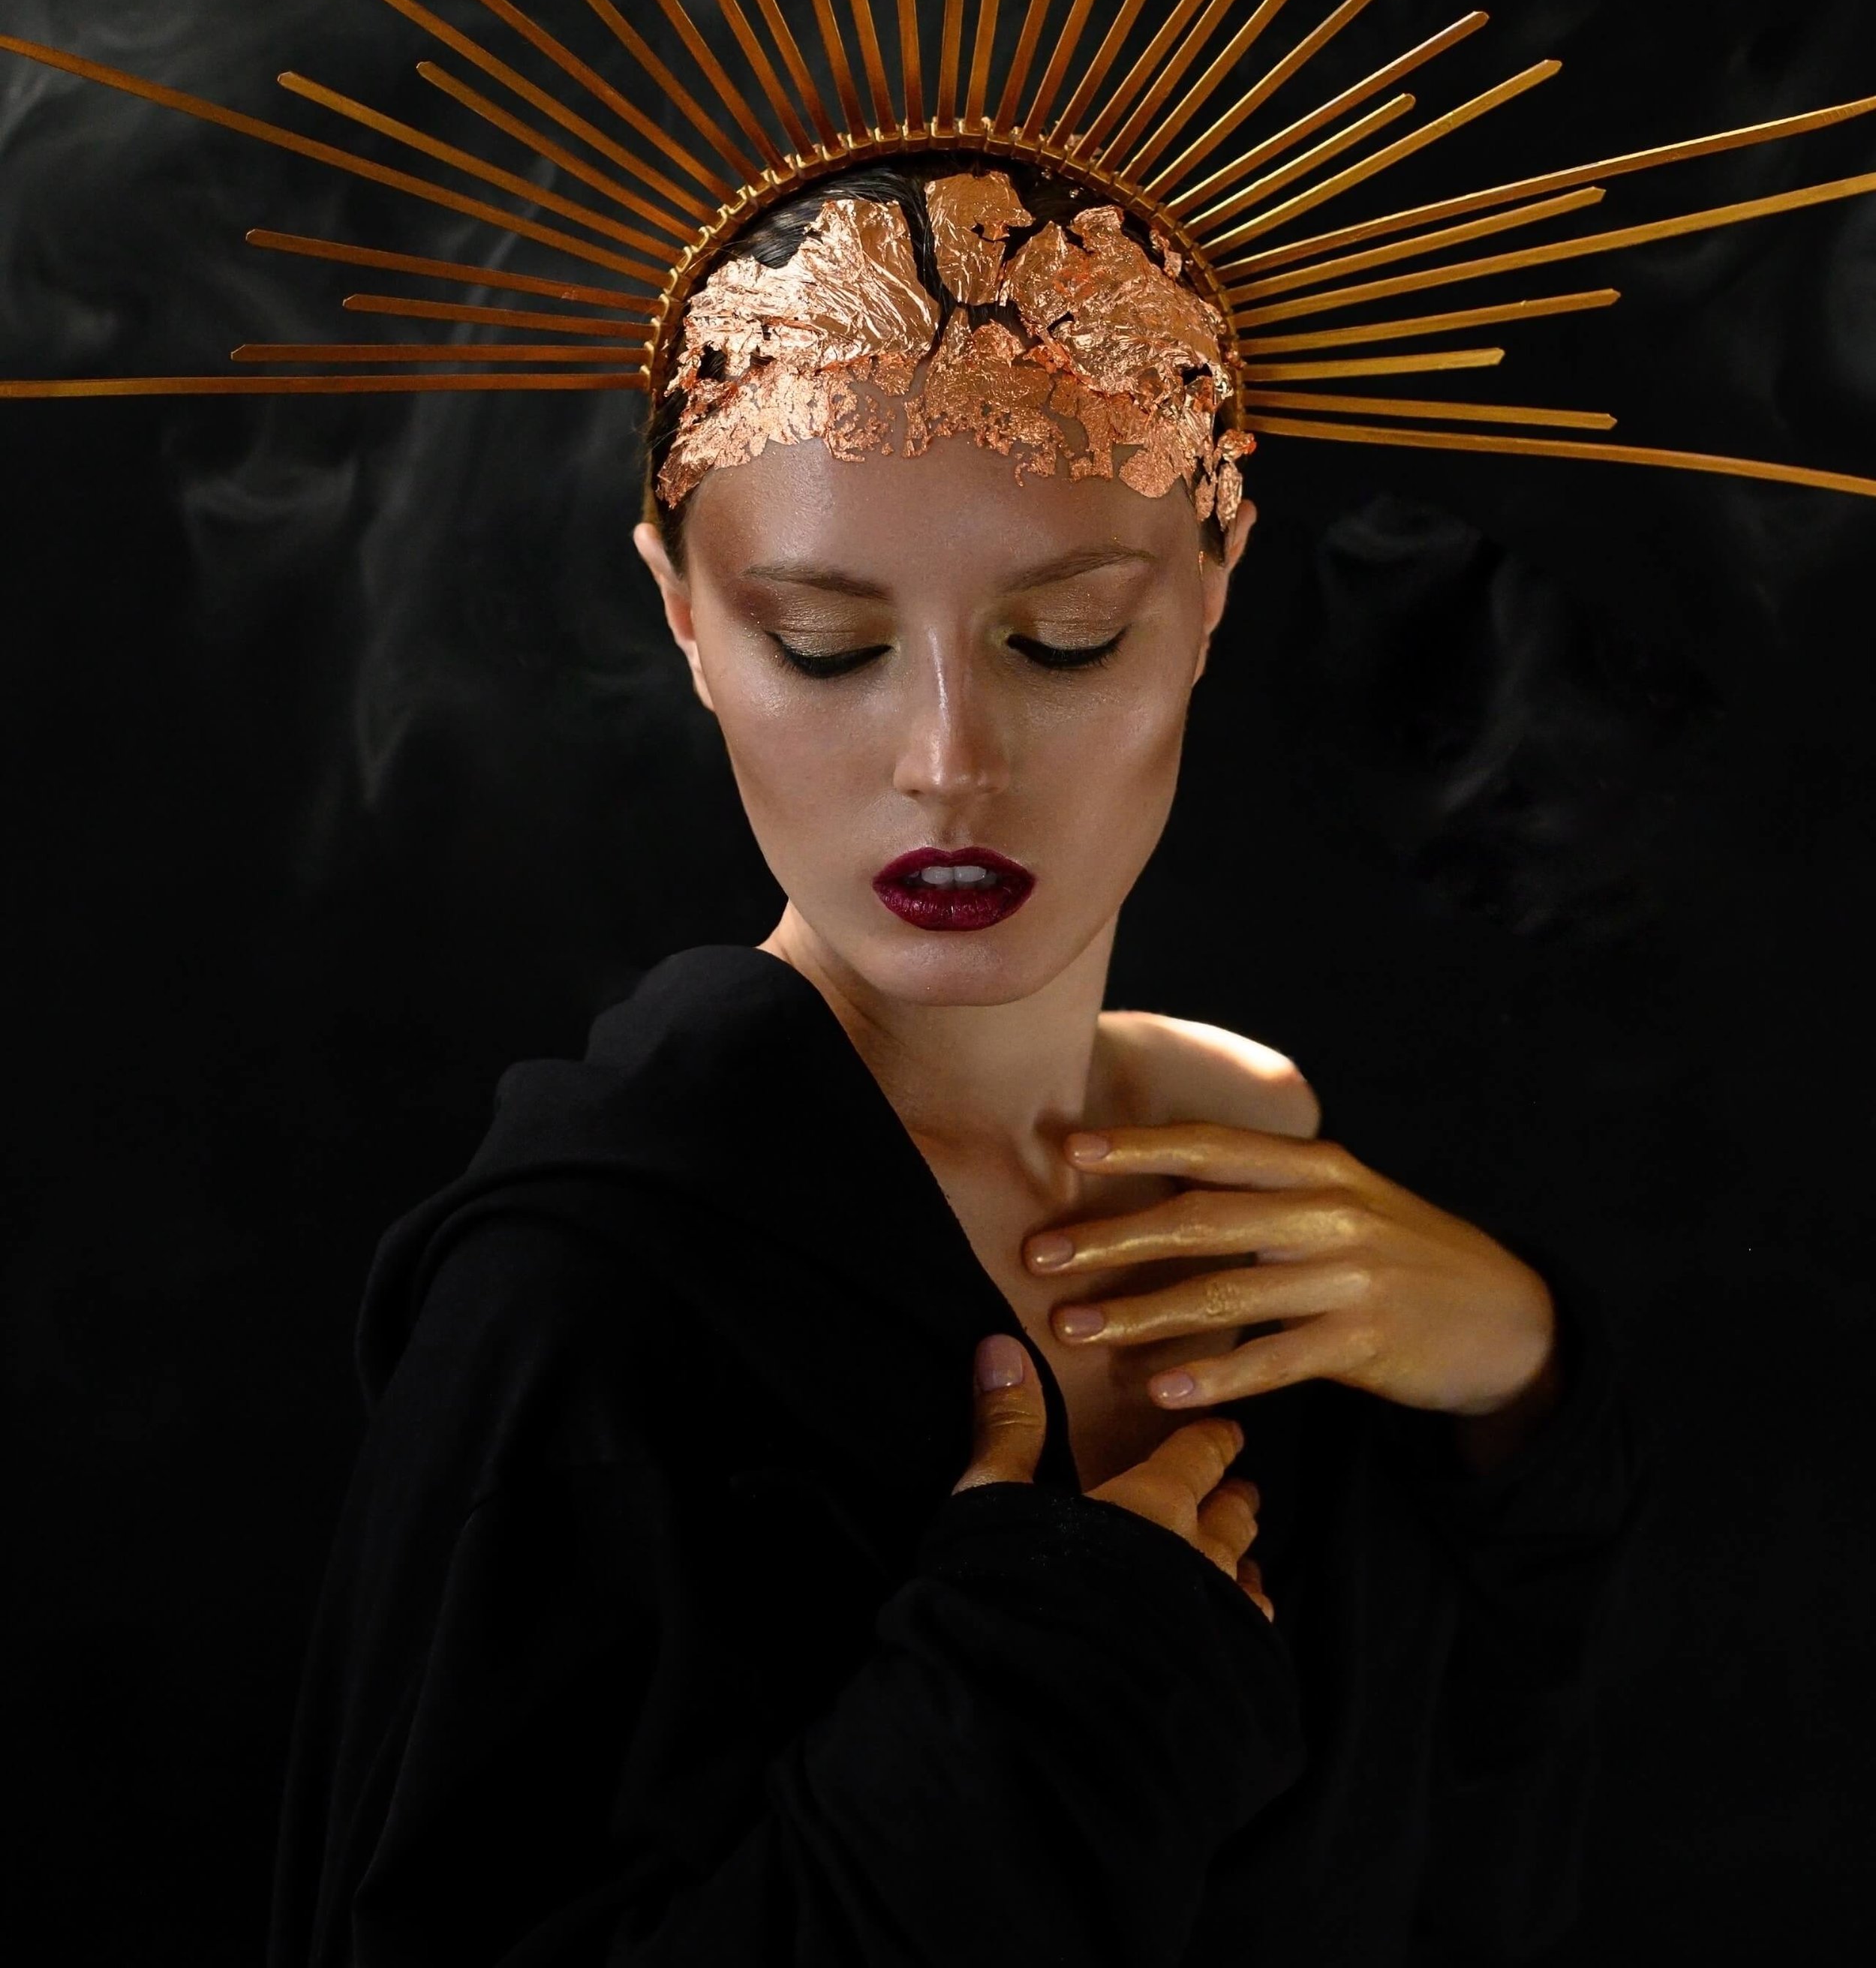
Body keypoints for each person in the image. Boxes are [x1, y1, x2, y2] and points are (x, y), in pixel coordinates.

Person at [266, 160, 1639, 1966]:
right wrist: (1054, 1678)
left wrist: (1524, 1383)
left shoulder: (1279, 1186)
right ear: (682, 614)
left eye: (1061, 637)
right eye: (822, 648)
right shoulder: (585, 1300)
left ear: (1214, 580)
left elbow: (1502, 1831)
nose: (943, 760)